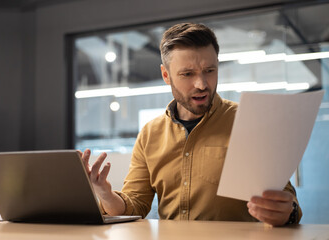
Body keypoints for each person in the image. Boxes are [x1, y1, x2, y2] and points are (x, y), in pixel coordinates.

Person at [79, 23, 302, 226]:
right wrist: (105, 194)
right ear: (166, 75)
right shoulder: (150, 134)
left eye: (210, 71)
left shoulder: (249, 123)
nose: (202, 84)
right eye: (187, 74)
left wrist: (285, 211)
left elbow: (287, 203)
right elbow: (136, 206)